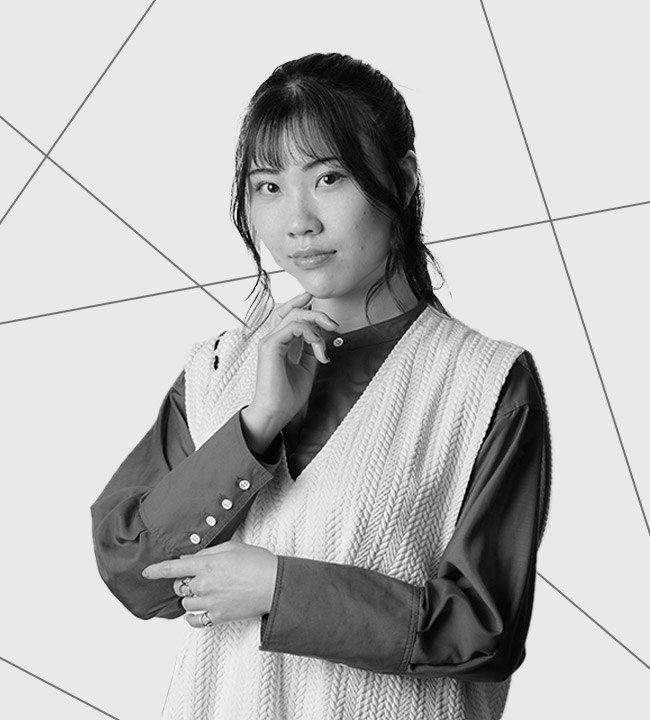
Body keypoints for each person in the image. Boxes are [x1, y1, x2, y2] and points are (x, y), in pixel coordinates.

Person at [91, 52, 550, 720]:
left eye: (329, 178)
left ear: (402, 180)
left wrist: (279, 588)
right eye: (268, 186)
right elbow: (132, 571)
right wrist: (254, 427)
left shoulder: (485, 384)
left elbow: (484, 628)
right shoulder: (219, 372)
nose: (298, 220)